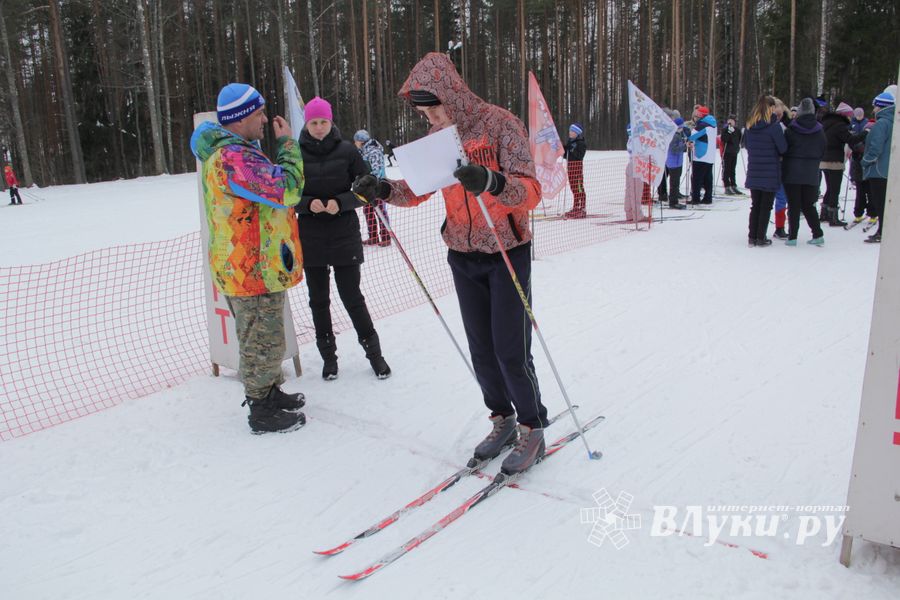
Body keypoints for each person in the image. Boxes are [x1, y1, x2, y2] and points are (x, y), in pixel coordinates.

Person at [353, 52, 550, 475]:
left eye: (436, 109)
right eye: (425, 114)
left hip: (506, 251)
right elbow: (418, 190)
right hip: (462, 253)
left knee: (510, 350)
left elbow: (532, 191)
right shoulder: (437, 138)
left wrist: (492, 181)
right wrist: (383, 189)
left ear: (453, 94)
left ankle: (532, 426)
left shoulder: (502, 124)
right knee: (481, 350)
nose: (433, 119)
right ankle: (502, 418)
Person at [189, 83, 306, 434]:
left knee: (267, 336)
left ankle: (270, 392)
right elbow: (288, 189)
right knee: (260, 340)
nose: (265, 120)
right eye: (259, 113)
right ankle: (261, 410)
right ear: (240, 119)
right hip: (250, 268)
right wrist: (288, 145)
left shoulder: (238, 152)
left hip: (255, 264)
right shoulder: (234, 158)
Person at [296, 97, 391, 380]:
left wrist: (342, 202)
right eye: (314, 122)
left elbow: (367, 188)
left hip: (344, 232)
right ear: (306, 124)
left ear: (331, 121)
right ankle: (329, 359)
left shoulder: (348, 151)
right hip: (311, 234)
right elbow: (285, 193)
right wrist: (306, 203)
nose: (319, 127)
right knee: (318, 300)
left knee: (352, 297)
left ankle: (375, 356)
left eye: (323, 121)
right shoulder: (294, 154)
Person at [743, 95, 787, 247]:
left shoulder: (750, 126)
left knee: (755, 205)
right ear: (771, 108)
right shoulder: (774, 127)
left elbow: (747, 145)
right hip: (770, 171)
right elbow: (783, 148)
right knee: (766, 206)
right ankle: (760, 237)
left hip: (754, 170)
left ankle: (752, 236)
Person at [782, 98, 826, 246]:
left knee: (793, 205)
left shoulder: (791, 129)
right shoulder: (820, 130)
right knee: (809, 205)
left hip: (792, 171)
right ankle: (817, 234)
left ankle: (792, 237)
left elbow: (784, 148)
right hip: (811, 172)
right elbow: (823, 149)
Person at [860, 90, 895, 244]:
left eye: (875, 106)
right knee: (886, 204)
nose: (873, 109)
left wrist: (865, 161)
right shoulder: (893, 122)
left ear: (881, 107)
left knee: (880, 203)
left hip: (878, 170)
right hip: (888, 170)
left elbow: (876, 148)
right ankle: (885, 231)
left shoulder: (882, 123)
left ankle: (882, 232)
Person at [819, 101, 855, 227]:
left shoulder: (826, 123)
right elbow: (850, 140)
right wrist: (864, 134)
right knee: (835, 189)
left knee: (829, 187)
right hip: (835, 161)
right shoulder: (840, 125)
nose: (850, 118)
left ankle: (824, 214)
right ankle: (833, 218)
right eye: (849, 115)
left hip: (824, 160)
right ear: (845, 115)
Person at [353, 129, 391, 246]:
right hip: (365, 187)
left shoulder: (374, 151)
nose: (354, 143)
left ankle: (386, 237)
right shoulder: (362, 152)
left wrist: (371, 181)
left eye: (356, 141)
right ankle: (373, 237)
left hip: (377, 186)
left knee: (380, 210)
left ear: (361, 141)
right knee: (368, 210)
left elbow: (377, 169)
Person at [658, 110, 688, 210]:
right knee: (674, 184)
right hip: (673, 162)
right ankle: (673, 202)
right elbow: (674, 149)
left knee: (675, 183)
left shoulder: (677, 135)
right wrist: (684, 145)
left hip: (676, 162)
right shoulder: (674, 136)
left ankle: (674, 200)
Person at [687, 106, 717, 204]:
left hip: (701, 155)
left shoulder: (702, 125)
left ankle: (695, 198)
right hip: (710, 156)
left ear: (700, 115)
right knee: (708, 178)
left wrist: (688, 139)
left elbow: (693, 136)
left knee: (697, 178)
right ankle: (708, 198)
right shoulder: (713, 124)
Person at [562, 123, 587, 219]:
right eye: (570, 131)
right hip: (570, 167)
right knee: (573, 188)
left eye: (572, 131)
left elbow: (580, 155)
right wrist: (563, 150)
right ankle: (576, 206)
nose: (570, 133)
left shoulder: (581, 143)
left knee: (579, 187)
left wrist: (571, 149)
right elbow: (567, 155)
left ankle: (582, 208)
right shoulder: (570, 141)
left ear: (577, 133)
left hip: (577, 168)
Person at [721, 114, 743, 195]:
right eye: (729, 120)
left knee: (732, 170)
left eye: (732, 120)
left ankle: (733, 185)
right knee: (727, 169)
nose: (730, 122)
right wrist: (729, 131)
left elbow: (740, 139)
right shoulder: (725, 129)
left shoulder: (737, 130)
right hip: (727, 152)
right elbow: (724, 139)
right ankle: (727, 186)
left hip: (734, 152)